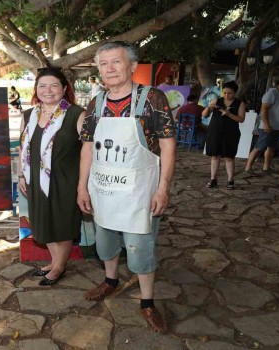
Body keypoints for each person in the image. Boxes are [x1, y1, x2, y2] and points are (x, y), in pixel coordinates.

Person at [77, 41, 176, 333]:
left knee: (140, 246)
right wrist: (82, 187)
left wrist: (164, 189)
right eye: (104, 64)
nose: (110, 68)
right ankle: (110, 281)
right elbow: (87, 148)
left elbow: (169, 147)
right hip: (104, 188)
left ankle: (147, 302)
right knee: (105, 241)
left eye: (116, 62)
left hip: (139, 190)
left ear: (132, 66)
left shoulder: (152, 98)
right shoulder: (96, 103)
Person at [19, 67, 86, 286]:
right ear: (36, 89)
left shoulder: (76, 114)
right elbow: (23, 149)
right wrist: (21, 175)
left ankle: (59, 267)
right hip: (35, 179)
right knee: (43, 221)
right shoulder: (29, 115)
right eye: (42, 86)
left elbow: (89, 150)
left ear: (64, 88)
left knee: (62, 223)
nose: (48, 90)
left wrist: (84, 184)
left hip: (66, 180)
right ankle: (55, 261)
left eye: (54, 85)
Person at [244, 76, 279, 174]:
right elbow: (264, 109)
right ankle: (248, 167)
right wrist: (266, 124)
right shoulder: (272, 93)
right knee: (259, 147)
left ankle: (266, 167)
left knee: (272, 148)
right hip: (268, 127)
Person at [202, 81, 246, 190]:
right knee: (215, 155)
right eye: (224, 93)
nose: (226, 95)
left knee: (229, 157)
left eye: (229, 93)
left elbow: (241, 119)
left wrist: (229, 114)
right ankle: (213, 179)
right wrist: (209, 107)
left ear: (235, 93)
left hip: (231, 132)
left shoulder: (240, 103)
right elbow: (204, 115)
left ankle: (230, 180)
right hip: (215, 131)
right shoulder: (216, 100)